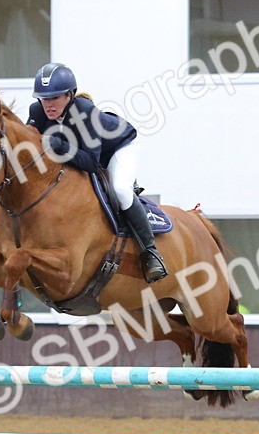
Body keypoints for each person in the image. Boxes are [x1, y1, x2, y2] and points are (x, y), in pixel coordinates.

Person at [26, 62, 167, 283]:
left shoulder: (85, 112)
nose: (48, 105)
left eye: (54, 98)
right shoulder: (37, 112)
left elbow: (92, 163)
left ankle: (151, 253)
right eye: (44, 99)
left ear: (69, 95)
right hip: (85, 152)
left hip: (118, 148)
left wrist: (59, 145)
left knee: (120, 190)